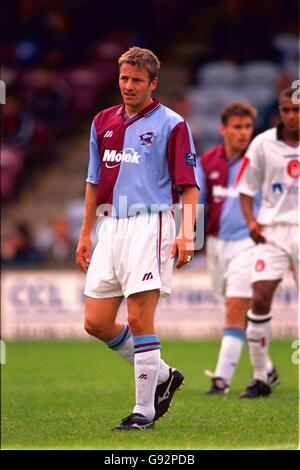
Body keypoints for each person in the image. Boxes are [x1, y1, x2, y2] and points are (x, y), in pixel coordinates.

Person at [76, 47, 200, 430]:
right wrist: (85, 233)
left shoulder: (172, 124)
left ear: (153, 84)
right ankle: (162, 374)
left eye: (136, 81)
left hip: (151, 224)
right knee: (95, 322)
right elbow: (93, 180)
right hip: (109, 226)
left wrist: (187, 233)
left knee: (139, 318)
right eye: (124, 79)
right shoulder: (102, 121)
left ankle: (143, 412)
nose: (128, 86)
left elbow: (188, 185)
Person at [198, 101, 278, 394]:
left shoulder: (261, 161)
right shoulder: (208, 160)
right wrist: (192, 242)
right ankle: (266, 368)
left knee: (234, 309)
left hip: (250, 242)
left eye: (247, 127)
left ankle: (221, 380)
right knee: (234, 308)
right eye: (237, 127)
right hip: (217, 244)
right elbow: (198, 201)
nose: (244, 133)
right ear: (223, 129)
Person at [236, 86, 299, 398]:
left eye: (296, 110)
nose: (290, 116)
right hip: (272, 231)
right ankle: (261, 376)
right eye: (285, 110)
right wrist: (250, 220)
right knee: (259, 297)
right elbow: (246, 189)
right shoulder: (262, 144)